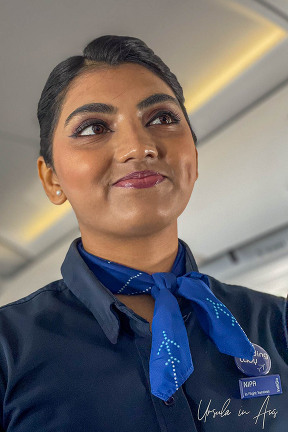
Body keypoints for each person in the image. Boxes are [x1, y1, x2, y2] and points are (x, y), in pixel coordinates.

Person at [0, 35, 287, 432]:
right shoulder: (8, 349)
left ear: (194, 157)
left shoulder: (277, 326)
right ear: (52, 181)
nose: (139, 147)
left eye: (162, 118)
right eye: (93, 127)